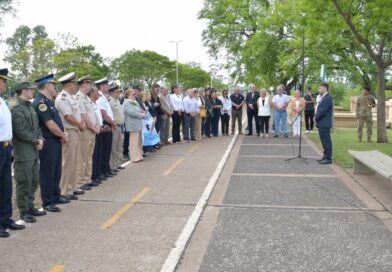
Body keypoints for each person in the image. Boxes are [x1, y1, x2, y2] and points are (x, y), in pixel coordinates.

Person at [32, 74, 69, 213]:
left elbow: (57, 120)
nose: (55, 87)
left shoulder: (49, 102)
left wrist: (63, 133)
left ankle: (55, 196)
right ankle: (47, 201)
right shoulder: (40, 103)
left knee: (56, 170)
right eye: (53, 85)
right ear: (47, 85)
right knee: (47, 172)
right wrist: (62, 134)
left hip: (56, 140)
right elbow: (50, 124)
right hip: (48, 141)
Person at [12, 81, 46, 223]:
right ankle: (24, 210)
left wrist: (40, 138)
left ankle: (30, 206)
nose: (33, 92)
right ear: (24, 91)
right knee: (24, 182)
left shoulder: (30, 108)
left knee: (33, 180)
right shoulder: (17, 109)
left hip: (33, 150)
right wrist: (36, 141)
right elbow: (21, 131)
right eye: (30, 90)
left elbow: (37, 126)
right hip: (24, 151)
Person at [0, 68, 25, 237]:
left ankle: (5, 218)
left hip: (6, 146)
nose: (5, 84)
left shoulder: (2, 101)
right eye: (3, 81)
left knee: (6, 185)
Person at [55, 72, 85, 200]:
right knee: (67, 162)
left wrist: (79, 124)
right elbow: (68, 116)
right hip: (70, 130)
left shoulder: (70, 97)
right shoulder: (62, 98)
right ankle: (65, 190)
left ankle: (72, 187)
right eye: (74, 84)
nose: (76, 86)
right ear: (69, 85)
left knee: (74, 161)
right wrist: (79, 124)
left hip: (75, 131)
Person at [75, 76, 100, 192]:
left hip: (92, 130)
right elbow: (83, 115)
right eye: (89, 84)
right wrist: (92, 127)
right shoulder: (79, 97)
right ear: (84, 85)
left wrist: (97, 125)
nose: (90, 86)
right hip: (85, 131)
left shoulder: (86, 98)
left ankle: (87, 179)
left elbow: (93, 113)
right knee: (82, 157)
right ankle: (80, 182)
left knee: (89, 156)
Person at [95, 77, 117, 179]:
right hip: (105, 124)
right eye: (106, 85)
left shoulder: (103, 96)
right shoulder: (99, 97)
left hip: (107, 124)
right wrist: (112, 123)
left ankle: (106, 169)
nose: (108, 87)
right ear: (102, 86)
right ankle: (103, 170)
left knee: (107, 148)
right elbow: (103, 114)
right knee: (104, 149)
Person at [123, 89, 146, 162]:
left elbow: (138, 110)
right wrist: (141, 114)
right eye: (132, 95)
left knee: (139, 141)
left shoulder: (134, 102)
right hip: (132, 125)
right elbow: (132, 113)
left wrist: (143, 111)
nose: (134, 96)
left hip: (138, 124)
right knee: (134, 142)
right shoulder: (126, 103)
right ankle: (134, 157)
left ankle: (139, 155)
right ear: (128, 95)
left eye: (134, 94)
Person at [89, 86, 104, 185]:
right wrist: (96, 127)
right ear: (92, 93)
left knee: (98, 153)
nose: (98, 94)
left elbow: (97, 118)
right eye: (97, 92)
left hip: (99, 129)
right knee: (93, 155)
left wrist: (100, 126)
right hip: (93, 130)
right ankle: (93, 176)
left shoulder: (95, 103)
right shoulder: (89, 103)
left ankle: (97, 174)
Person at [315, 83, 333, 164]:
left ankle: (328, 158)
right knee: (323, 141)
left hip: (324, 123)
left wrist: (315, 117)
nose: (319, 90)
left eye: (320, 88)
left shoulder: (327, 98)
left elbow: (322, 111)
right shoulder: (324, 97)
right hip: (322, 123)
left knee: (326, 141)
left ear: (325, 88)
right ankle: (325, 156)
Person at [108, 84, 125, 169]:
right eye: (117, 92)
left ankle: (118, 163)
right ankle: (112, 165)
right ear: (113, 92)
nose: (119, 93)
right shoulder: (110, 101)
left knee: (119, 145)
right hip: (114, 126)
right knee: (113, 147)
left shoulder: (117, 101)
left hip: (120, 126)